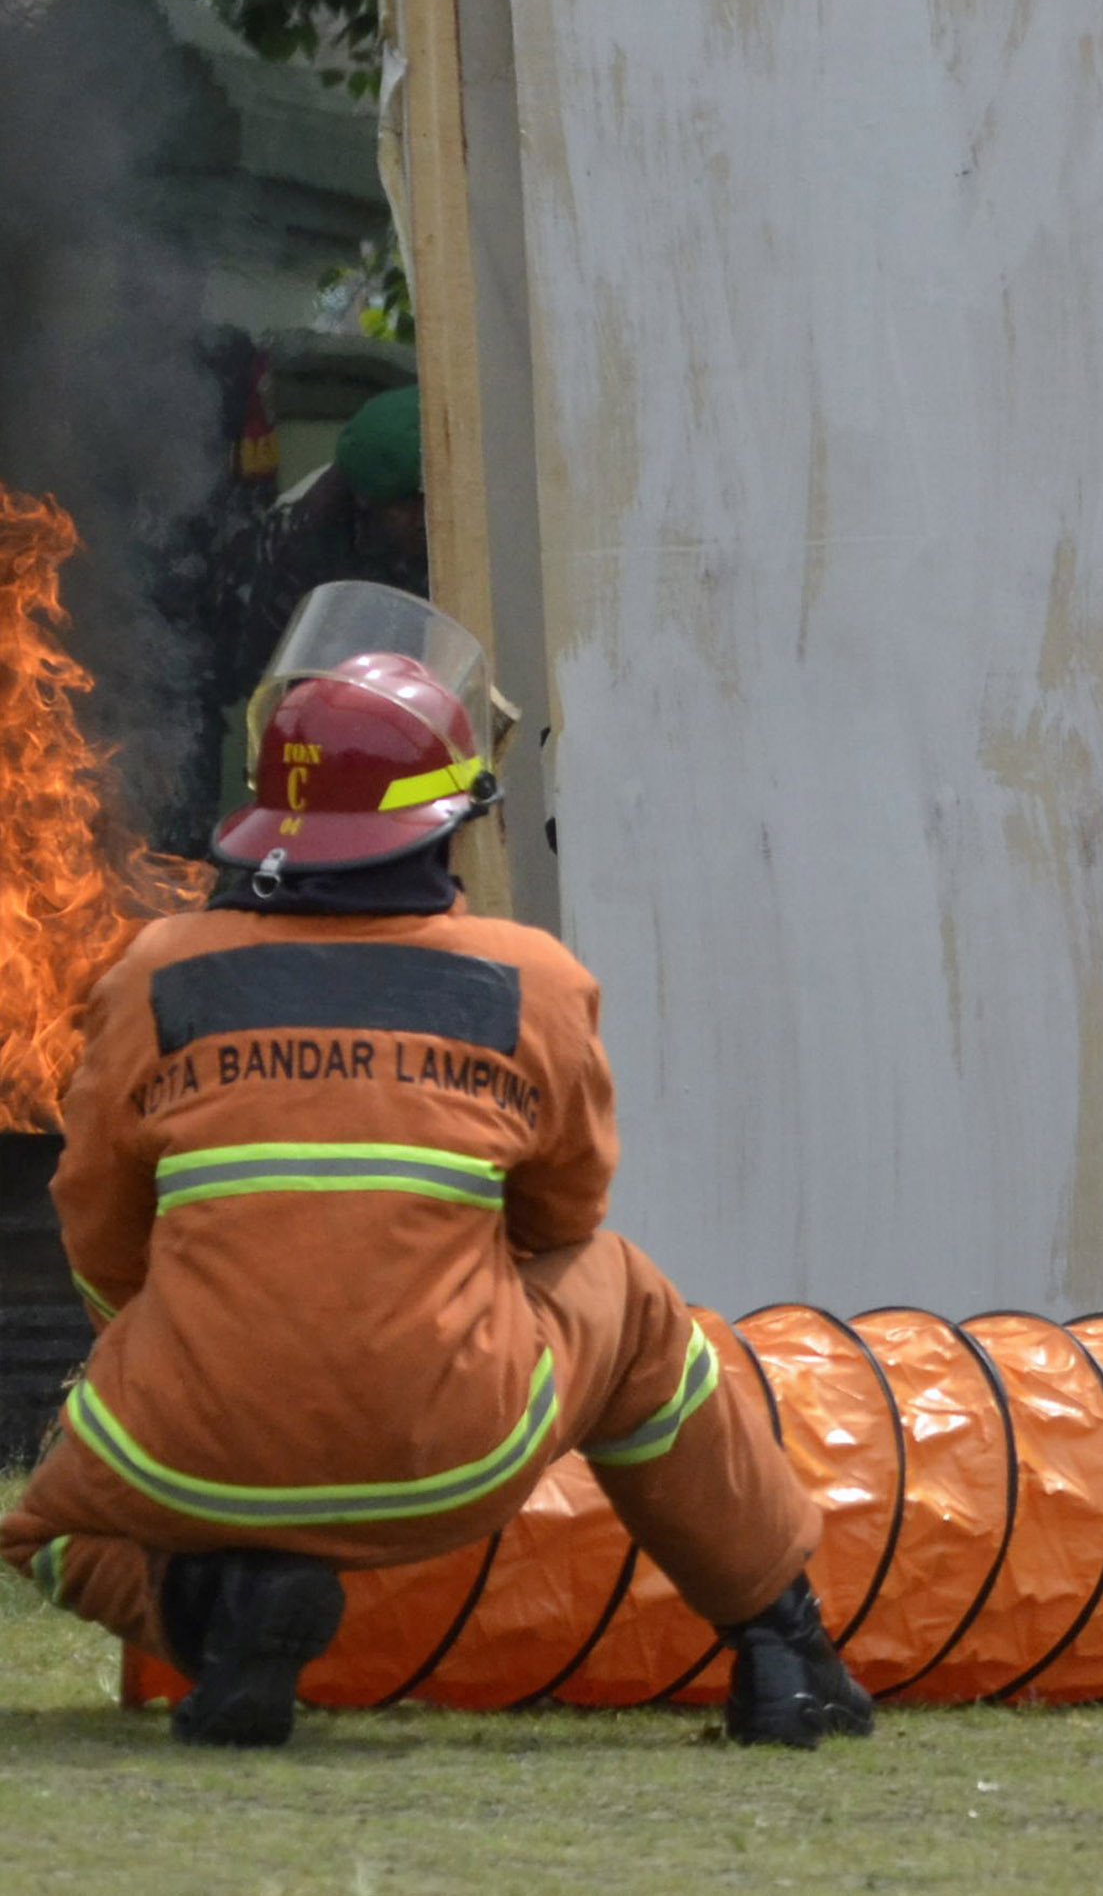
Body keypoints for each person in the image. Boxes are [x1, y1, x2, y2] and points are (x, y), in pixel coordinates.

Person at [0, 586, 872, 1749]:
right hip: (457, 1459)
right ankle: (785, 1650)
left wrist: (194, 1350)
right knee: (635, 1299)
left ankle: (219, 1611)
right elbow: (564, 1215)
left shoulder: (160, 968)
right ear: (447, 826)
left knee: (36, 1531)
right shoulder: (534, 980)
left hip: (176, 1450)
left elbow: (98, 1220)